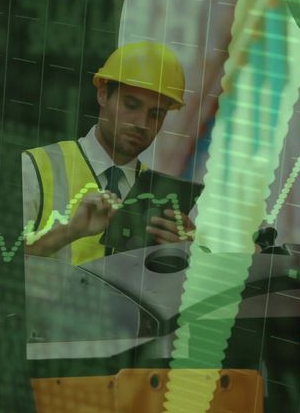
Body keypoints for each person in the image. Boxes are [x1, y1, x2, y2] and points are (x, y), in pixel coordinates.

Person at [22, 41, 196, 265]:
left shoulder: (159, 197)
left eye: (155, 114)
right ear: (103, 94)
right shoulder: (35, 166)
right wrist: (69, 231)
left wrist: (184, 258)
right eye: (131, 105)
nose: (142, 123)